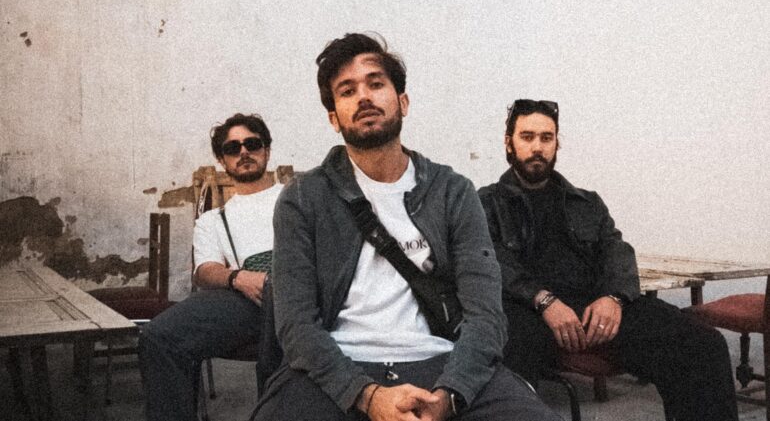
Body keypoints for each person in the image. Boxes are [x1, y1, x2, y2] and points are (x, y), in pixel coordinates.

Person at [254, 33, 561, 421]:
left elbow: (486, 315)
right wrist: (367, 396)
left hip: (440, 360)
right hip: (337, 368)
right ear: (334, 118)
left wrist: (451, 394)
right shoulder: (303, 199)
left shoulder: (452, 192)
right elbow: (297, 327)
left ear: (403, 102)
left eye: (376, 83)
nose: (364, 96)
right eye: (347, 91)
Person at [478, 99, 739, 421]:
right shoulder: (486, 202)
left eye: (546, 138)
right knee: (505, 352)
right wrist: (545, 301)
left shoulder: (586, 202)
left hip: (593, 305)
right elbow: (492, 261)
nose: (537, 147)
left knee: (702, 344)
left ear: (557, 142)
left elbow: (617, 251)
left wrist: (613, 298)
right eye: (527, 136)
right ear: (509, 142)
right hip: (527, 310)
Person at [138, 113, 282, 421]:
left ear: (266, 150)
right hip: (249, 299)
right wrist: (238, 277)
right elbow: (204, 270)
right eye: (233, 148)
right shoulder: (213, 220)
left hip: (300, 293)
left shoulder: (295, 197)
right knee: (159, 337)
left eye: (252, 144)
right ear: (222, 159)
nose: (243, 152)